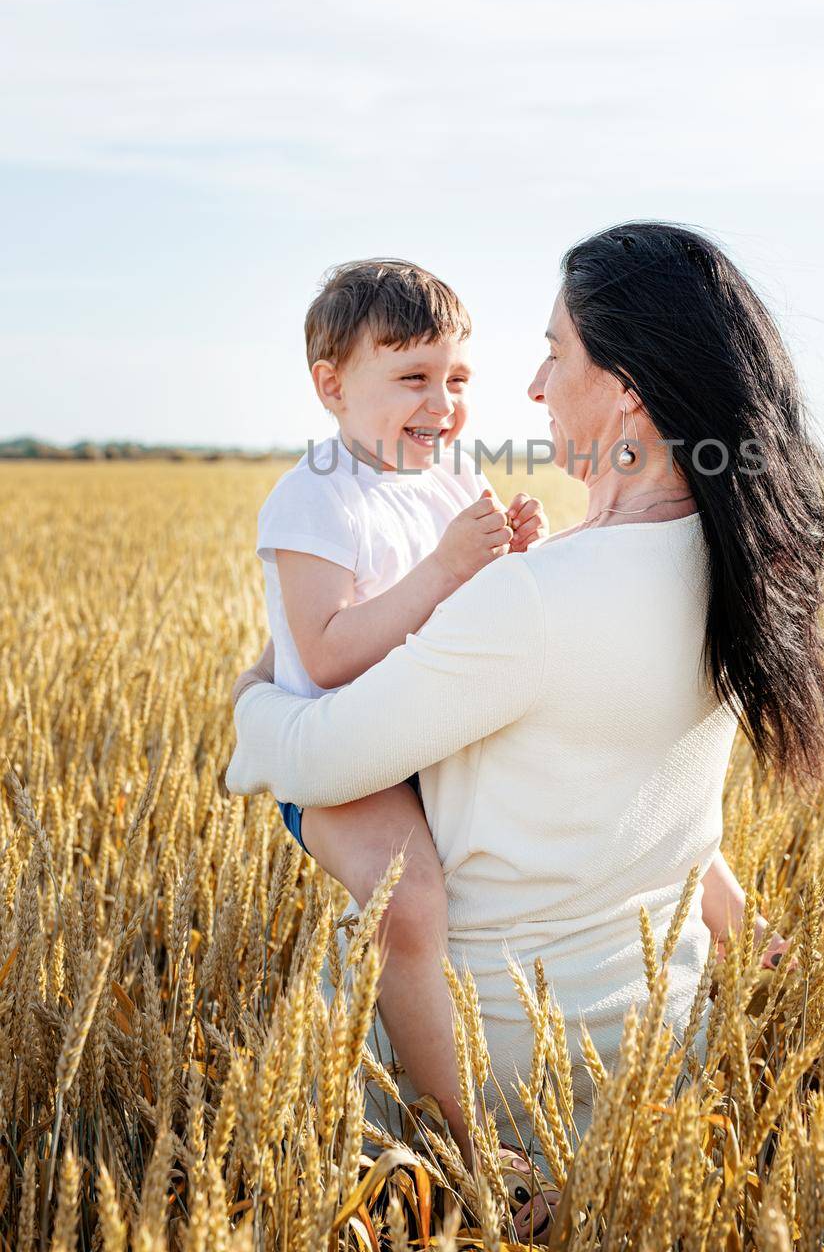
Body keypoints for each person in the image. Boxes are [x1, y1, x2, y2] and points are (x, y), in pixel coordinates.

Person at [227, 221, 824, 1240]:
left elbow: (309, 758)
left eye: (554, 350)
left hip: (500, 1074)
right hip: (662, 1050)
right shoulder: (743, 564)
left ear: (626, 390)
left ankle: (467, 1164)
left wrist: (258, 690)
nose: (527, 386)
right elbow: (667, 821)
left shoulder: (537, 600)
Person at [248, 256, 550, 1208]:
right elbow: (331, 655)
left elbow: (474, 607)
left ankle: (725, 929)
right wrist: (445, 571)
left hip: (429, 734)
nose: (443, 403)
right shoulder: (312, 499)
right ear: (332, 385)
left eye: (457, 379)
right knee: (410, 899)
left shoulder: (451, 477)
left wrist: (510, 557)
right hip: (344, 761)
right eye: (412, 377)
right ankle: (465, 1138)